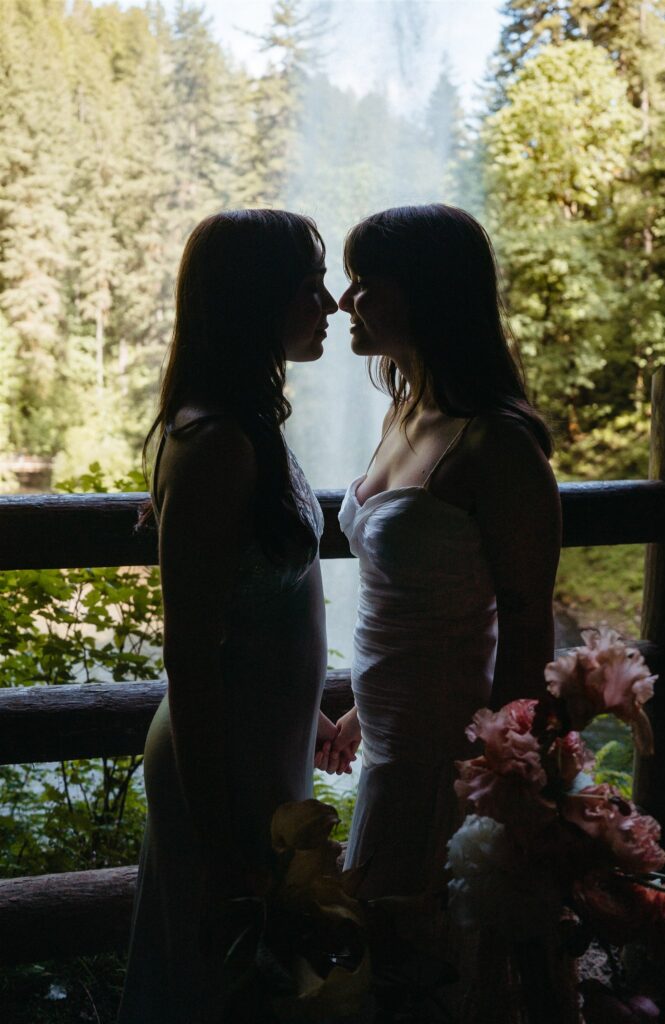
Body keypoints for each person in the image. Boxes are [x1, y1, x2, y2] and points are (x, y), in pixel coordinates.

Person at [118, 209, 339, 1024]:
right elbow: (191, 655)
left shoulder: (242, 426)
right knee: (220, 982)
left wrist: (305, 704)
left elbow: (254, 601)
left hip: (260, 743)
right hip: (224, 764)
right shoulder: (217, 445)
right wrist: (220, 841)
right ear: (256, 301)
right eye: (308, 287)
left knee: (246, 979)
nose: (330, 304)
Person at [323, 204, 561, 907]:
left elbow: (525, 630)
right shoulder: (403, 410)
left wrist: (501, 780)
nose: (343, 302)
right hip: (389, 746)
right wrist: (361, 715)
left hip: (450, 762)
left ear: (423, 291)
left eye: (363, 281)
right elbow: (420, 602)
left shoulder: (497, 444)